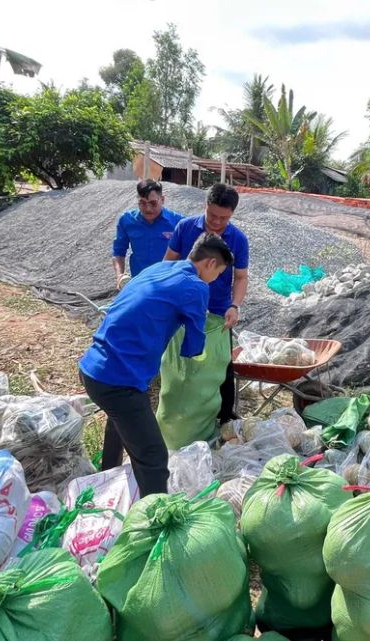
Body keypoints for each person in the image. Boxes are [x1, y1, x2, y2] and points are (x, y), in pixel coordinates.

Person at [79, 234, 233, 495]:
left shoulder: (159, 268)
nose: (215, 279)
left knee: (119, 423)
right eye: (218, 273)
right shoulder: (195, 286)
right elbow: (193, 346)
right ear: (209, 263)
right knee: (154, 458)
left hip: (93, 368)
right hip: (119, 380)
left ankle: (107, 480)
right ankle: (157, 522)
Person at [164, 183, 248, 423]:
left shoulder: (238, 239)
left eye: (224, 218)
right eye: (212, 215)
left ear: (232, 215)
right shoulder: (185, 227)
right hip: (183, 306)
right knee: (181, 357)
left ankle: (224, 416)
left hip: (218, 311)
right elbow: (167, 263)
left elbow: (241, 277)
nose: (216, 222)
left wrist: (235, 305)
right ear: (205, 206)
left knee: (221, 363)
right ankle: (183, 410)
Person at [111, 179, 182, 290]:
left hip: (168, 285)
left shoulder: (178, 222)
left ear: (162, 199)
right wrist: (120, 275)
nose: (148, 209)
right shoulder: (127, 220)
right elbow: (118, 252)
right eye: (142, 203)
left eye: (153, 203)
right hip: (139, 285)